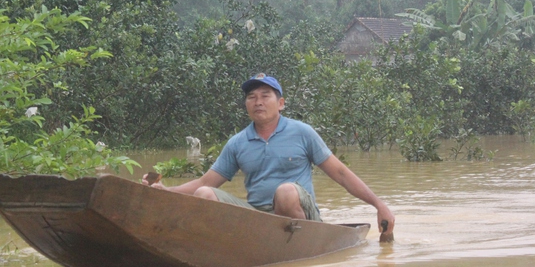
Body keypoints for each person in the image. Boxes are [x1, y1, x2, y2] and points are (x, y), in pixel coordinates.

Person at [143, 73, 395, 236]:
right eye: (252, 97)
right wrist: (167, 191)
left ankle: (298, 244)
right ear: (246, 105)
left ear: (281, 103)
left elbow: (340, 173)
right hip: (257, 218)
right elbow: (204, 182)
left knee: (285, 191)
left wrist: (379, 204)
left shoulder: (302, 132)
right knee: (204, 195)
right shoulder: (238, 142)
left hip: (301, 218)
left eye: (265, 96)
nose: (258, 102)